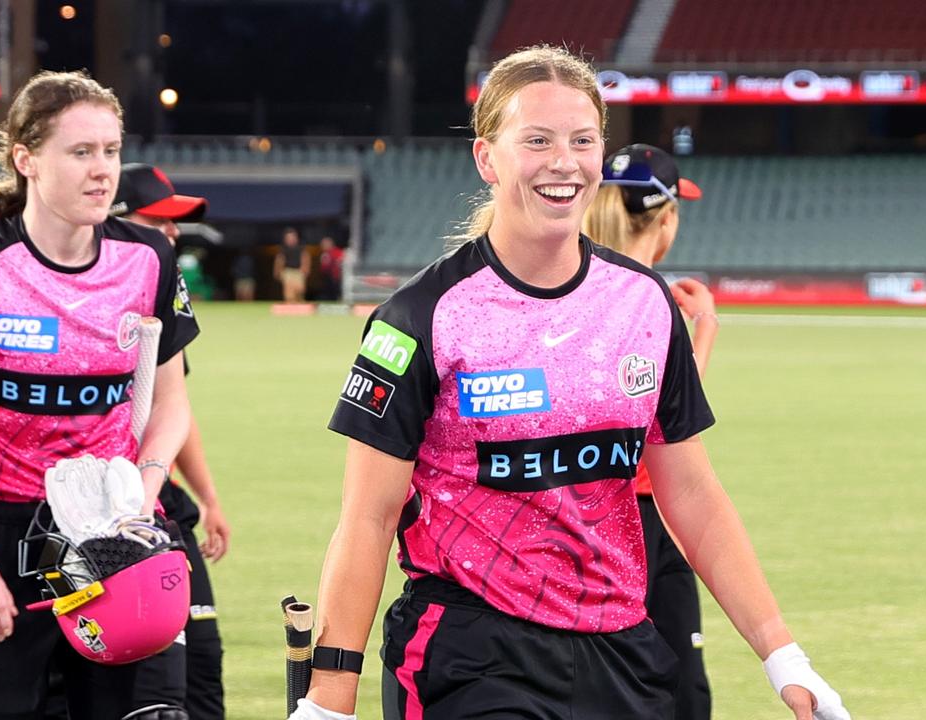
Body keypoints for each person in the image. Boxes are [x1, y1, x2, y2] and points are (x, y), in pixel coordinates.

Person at [294, 46, 851, 720]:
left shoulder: (644, 303)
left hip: (621, 654)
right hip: (472, 655)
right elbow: (368, 517)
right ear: (487, 158)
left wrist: (783, 655)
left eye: (582, 141)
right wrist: (329, 695)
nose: (564, 162)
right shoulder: (420, 317)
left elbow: (693, 495)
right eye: (537, 141)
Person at [0, 70, 198, 720]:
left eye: (112, 151)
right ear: (26, 159)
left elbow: (172, 405)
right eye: (82, 152)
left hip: (111, 534)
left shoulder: (148, 258)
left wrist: (140, 499)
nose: (103, 171)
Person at [583, 143, 716, 720]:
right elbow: (661, 421)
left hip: (579, 513)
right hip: (637, 515)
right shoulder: (647, 299)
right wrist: (705, 327)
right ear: (665, 218)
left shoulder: (577, 283)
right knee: (679, 690)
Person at [107, 161, 231, 720]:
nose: (174, 234)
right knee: (150, 693)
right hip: (103, 515)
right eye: (160, 221)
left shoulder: (156, 292)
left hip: (159, 504)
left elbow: (170, 409)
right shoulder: (96, 297)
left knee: (204, 663)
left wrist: (207, 498)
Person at [274, 227, 309, 303]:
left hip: (298, 271)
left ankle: (299, 303)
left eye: (292, 237)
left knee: (299, 290)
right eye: (288, 238)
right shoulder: (282, 250)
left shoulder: (301, 249)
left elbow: (305, 259)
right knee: (289, 293)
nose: (291, 239)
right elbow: (279, 262)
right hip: (287, 271)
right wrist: (278, 272)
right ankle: (290, 303)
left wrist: (304, 269)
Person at [318, 236, 344, 301]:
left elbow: (340, 263)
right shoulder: (325, 254)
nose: (322, 246)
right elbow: (323, 268)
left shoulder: (338, 252)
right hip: (328, 278)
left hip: (337, 277)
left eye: (324, 244)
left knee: (337, 293)